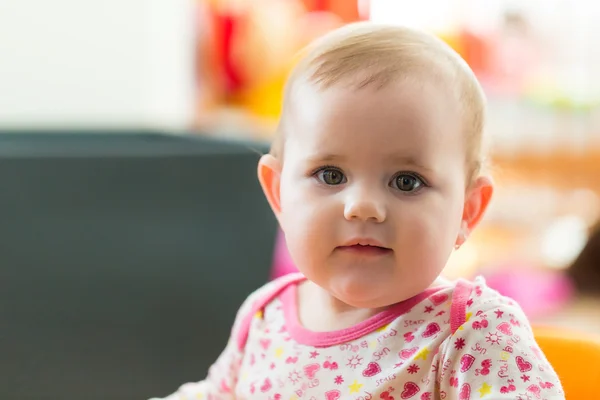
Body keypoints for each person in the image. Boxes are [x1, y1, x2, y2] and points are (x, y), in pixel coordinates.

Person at [151, 22, 564, 399]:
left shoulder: (471, 332)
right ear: (278, 195)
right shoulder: (265, 315)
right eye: (330, 175)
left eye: (407, 181)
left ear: (467, 212)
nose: (362, 206)